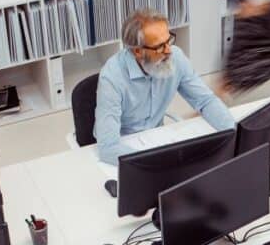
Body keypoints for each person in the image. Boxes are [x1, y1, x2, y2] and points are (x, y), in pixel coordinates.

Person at [94, 9, 235, 165]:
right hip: (124, 146)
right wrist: (157, 163)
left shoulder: (176, 57)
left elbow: (205, 101)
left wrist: (233, 132)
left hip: (157, 138)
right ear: (138, 51)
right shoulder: (112, 77)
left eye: (169, 41)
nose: (169, 51)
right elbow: (108, 148)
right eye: (160, 46)